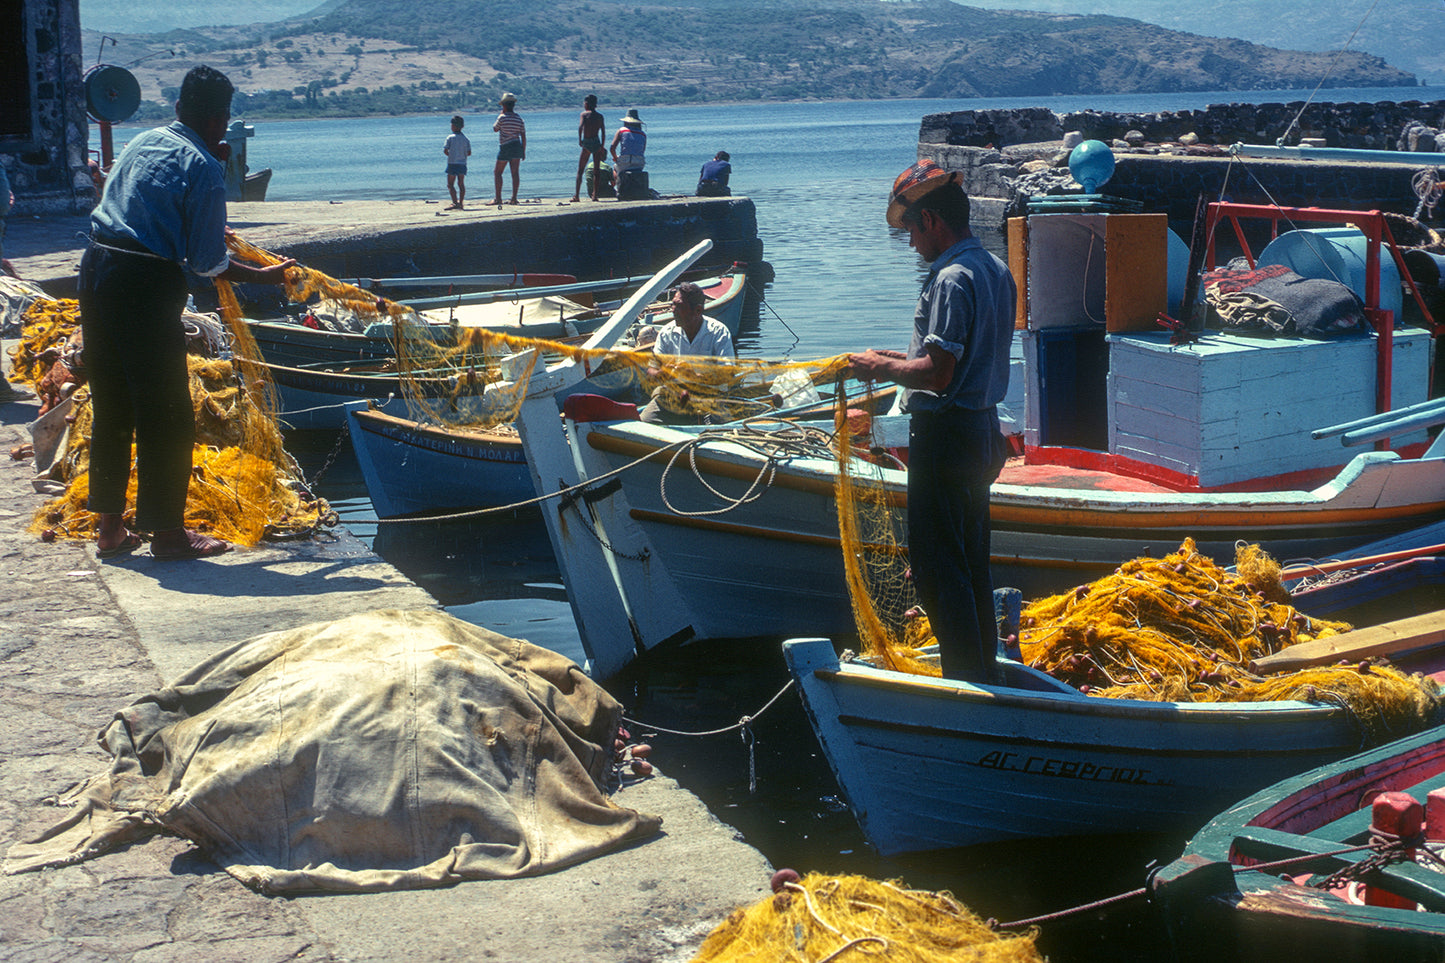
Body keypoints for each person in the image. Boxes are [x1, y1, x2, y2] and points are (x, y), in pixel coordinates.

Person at [81, 65, 294, 560]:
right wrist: (265, 275)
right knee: (168, 412)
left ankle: (110, 530)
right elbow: (206, 263)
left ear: (178, 109)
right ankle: (170, 536)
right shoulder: (204, 170)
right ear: (221, 119)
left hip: (95, 270)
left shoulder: (144, 140)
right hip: (143, 283)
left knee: (113, 404)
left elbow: (138, 199)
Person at [848, 160, 1016, 684]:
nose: (911, 244)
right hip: (983, 434)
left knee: (938, 567)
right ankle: (983, 668)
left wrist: (881, 367)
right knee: (970, 560)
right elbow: (957, 359)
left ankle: (965, 681)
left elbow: (938, 374)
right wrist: (898, 355)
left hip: (946, 440)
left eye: (911, 231)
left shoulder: (950, 277)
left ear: (931, 222)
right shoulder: (994, 269)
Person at [639, 281, 734, 424]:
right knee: (643, 425)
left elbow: (728, 373)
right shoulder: (666, 333)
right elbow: (651, 370)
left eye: (679, 306)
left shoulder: (718, 332)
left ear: (698, 310)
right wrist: (662, 374)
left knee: (720, 431)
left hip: (709, 398)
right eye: (673, 304)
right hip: (673, 397)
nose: (673, 309)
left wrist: (696, 377)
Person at [492, 93, 525, 206]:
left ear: (504, 106)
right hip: (517, 145)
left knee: (497, 172)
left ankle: (498, 198)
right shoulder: (518, 118)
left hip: (506, 146)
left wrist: (501, 114)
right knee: (515, 173)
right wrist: (523, 151)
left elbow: (495, 129)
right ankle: (514, 198)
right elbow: (523, 135)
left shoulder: (502, 117)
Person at [573, 94, 606, 202]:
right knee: (597, 170)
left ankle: (577, 195)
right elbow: (603, 132)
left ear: (586, 104)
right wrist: (602, 145)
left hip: (587, 142)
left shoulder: (584, 114)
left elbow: (580, 127)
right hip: (596, 141)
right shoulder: (600, 116)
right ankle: (595, 195)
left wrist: (580, 140)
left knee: (580, 170)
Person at [609, 108, 646, 196]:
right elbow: (642, 150)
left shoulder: (621, 130)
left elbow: (612, 148)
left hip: (626, 161)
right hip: (639, 162)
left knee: (615, 168)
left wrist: (615, 158)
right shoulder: (642, 134)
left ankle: (618, 189)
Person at [442, 114, 471, 210]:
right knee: (461, 183)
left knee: (450, 184)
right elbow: (469, 152)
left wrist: (452, 155)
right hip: (462, 164)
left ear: (453, 126)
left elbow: (446, 151)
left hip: (452, 163)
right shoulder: (465, 139)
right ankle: (461, 203)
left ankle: (455, 202)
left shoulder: (450, 137)